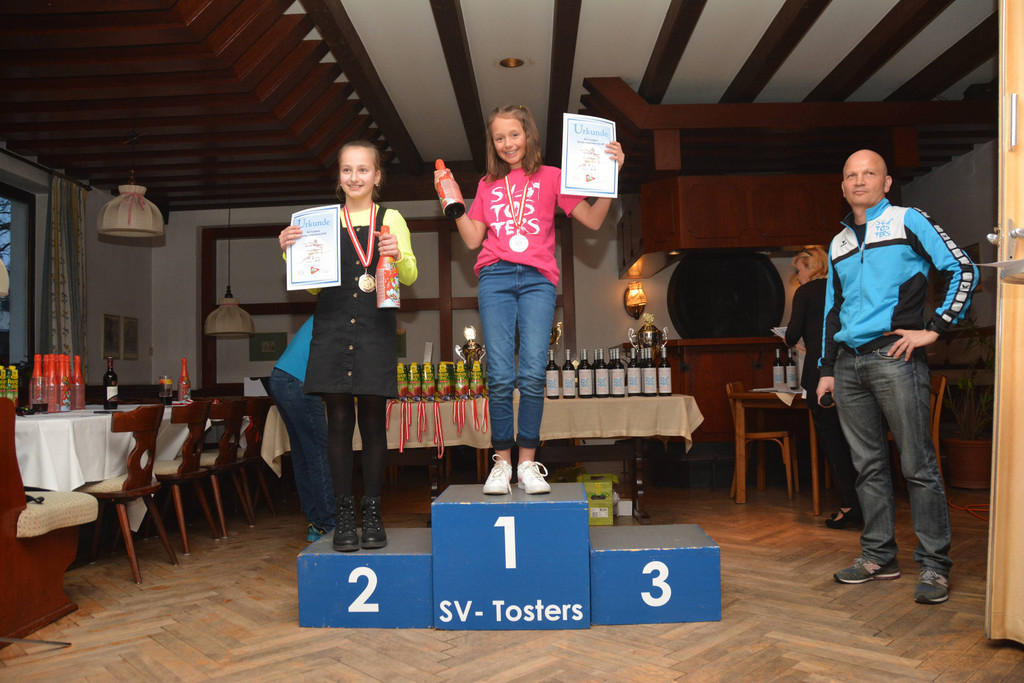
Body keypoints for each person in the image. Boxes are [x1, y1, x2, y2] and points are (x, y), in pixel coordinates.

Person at [435, 104, 624, 495]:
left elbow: (592, 220)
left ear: (529, 136)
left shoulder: (552, 176)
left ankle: (526, 464)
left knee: (534, 373)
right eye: (499, 138)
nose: (507, 143)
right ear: (492, 143)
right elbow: (471, 239)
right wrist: (450, 201)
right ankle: (501, 463)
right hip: (495, 276)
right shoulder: (487, 185)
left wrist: (612, 175)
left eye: (514, 135)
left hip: (538, 279)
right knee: (501, 375)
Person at [817, 149, 977, 604]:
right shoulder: (838, 242)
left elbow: (962, 267)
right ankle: (878, 556)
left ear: (886, 183)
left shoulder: (909, 220)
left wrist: (936, 328)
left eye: (870, 173)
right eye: (851, 175)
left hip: (896, 357)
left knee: (917, 465)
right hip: (848, 365)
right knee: (867, 466)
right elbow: (832, 309)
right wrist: (827, 369)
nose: (860, 181)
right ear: (843, 186)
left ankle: (935, 566)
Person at [279, 140, 417, 552]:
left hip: (375, 330)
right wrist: (290, 252)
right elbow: (313, 286)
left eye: (363, 169)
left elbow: (410, 275)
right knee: (338, 424)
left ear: (377, 176)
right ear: (338, 177)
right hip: (334, 329)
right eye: (347, 170)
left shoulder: (392, 218)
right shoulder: (321, 221)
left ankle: (372, 514)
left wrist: (397, 254)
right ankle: (343, 517)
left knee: (373, 425)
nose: (355, 177)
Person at [786, 246, 861, 529]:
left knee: (834, 442)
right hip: (853, 372)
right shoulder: (845, 287)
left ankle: (851, 506)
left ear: (812, 266)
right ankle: (870, 505)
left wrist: (794, 340)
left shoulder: (806, 293)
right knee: (860, 443)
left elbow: (792, 333)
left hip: (821, 374)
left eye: (799, 270)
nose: (798, 277)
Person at [267, 315, 335, 543]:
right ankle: (331, 525)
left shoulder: (327, 312)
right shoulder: (342, 315)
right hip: (298, 382)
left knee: (303, 456)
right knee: (318, 455)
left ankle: (316, 524)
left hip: (280, 378)